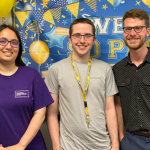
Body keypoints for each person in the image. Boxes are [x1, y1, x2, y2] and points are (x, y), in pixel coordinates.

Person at [45, 18, 119, 150]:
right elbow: (51, 112)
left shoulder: (106, 68)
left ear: (94, 39)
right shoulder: (55, 70)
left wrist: (115, 145)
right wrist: (56, 146)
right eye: (77, 35)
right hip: (69, 146)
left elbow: (110, 108)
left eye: (87, 36)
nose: (82, 40)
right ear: (70, 39)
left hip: (102, 145)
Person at [0, 24, 54, 150]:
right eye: (2, 41)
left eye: (14, 42)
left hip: (33, 146)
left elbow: (40, 114)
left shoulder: (31, 74)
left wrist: (20, 146)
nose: (8, 46)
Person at [113, 9, 150, 150]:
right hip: (131, 141)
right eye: (128, 28)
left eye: (138, 28)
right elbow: (117, 106)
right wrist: (122, 137)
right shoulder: (117, 69)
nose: (132, 33)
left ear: (147, 32)